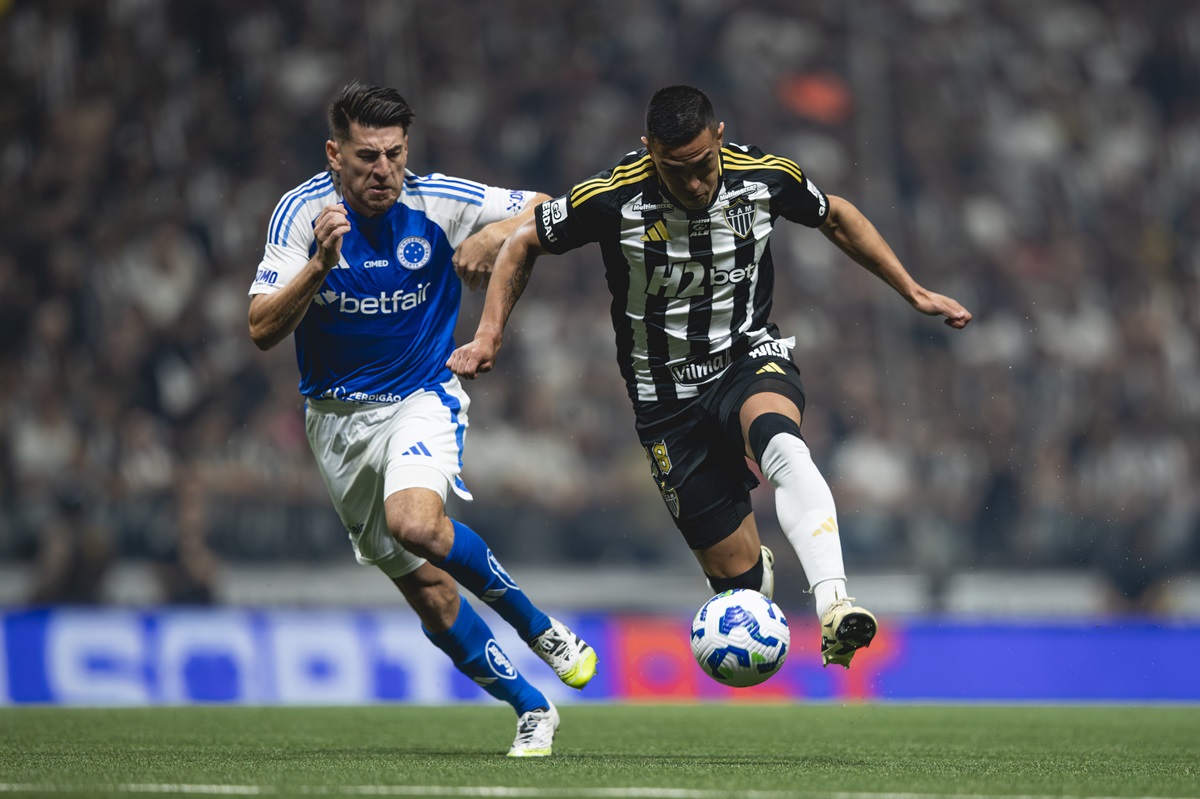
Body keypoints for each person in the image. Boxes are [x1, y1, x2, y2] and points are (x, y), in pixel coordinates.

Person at [449, 85, 972, 669]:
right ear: (649, 151)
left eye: (703, 165)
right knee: (739, 582)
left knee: (780, 441)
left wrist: (913, 291)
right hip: (663, 398)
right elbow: (524, 242)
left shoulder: (765, 177)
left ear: (719, 137)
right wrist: (489, 334)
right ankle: (752, 575)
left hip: (746, 357)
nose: (695, 183)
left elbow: (836, 215)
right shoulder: (613, 196)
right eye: (677, 171)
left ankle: (835, 605)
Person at [247, 82, 596, 756]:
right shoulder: (300, 214)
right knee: (430, 594)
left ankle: (543, 630)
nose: (384, 170)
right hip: (335, 424)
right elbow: (262, 328)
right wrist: (319, 266)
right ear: (334, 154)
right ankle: (532, 708)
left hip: (421, 398)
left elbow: (550, 208)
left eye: (395, 154)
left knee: (416, 523)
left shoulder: (437, 200)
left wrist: (494, 232)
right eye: (367, 156)